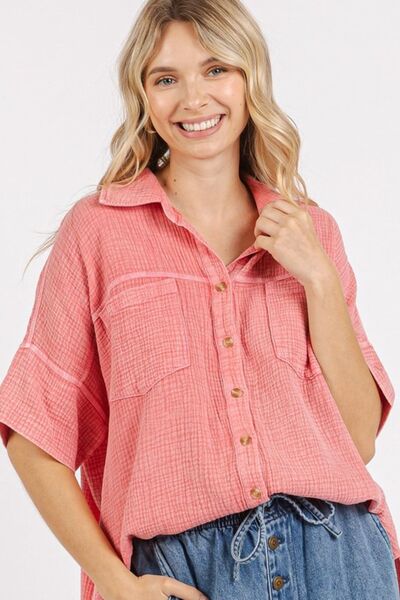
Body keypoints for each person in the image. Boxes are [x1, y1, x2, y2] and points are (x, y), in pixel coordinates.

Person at [0, 1, 399, 599]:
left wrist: (318, 279)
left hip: (338, 558)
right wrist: (116, 583)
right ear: (143, 96)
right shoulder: (98, 232)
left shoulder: (312, 232)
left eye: (216, 70)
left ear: (249, 78)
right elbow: (35, 435)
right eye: (166, 79)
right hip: (185, 570)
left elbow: (359, 438)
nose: (193, 98)